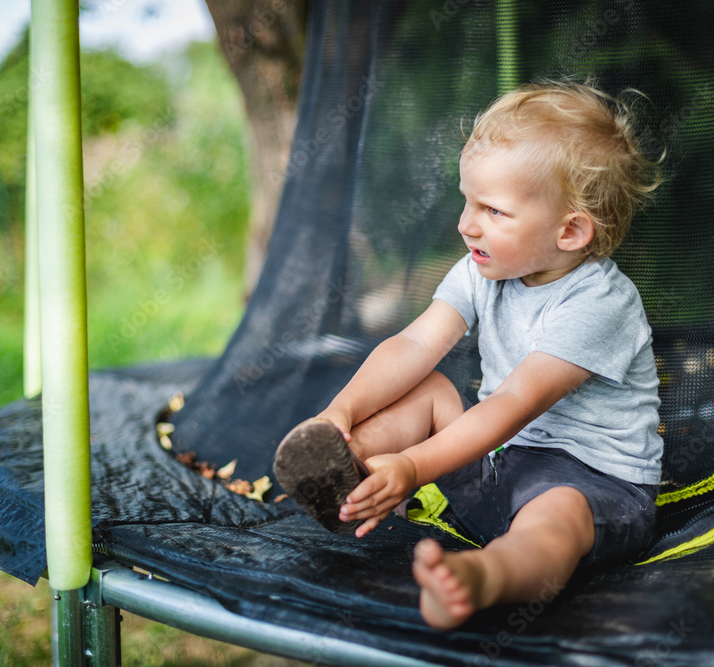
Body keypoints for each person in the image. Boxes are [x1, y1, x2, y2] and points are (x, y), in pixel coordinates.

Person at [273, 80, 664, 630]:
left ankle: (484, 578)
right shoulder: (486, 268)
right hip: (495, 462)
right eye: (466, 199)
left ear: (570, 231)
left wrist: (414, 466)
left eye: (493, 210)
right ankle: (348, 469)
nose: (465, 223)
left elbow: (513, 403)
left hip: (592, 482)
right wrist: (342, 411)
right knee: (429, 388)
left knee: (556, 520)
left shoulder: (600, 303)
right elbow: (414, 343)